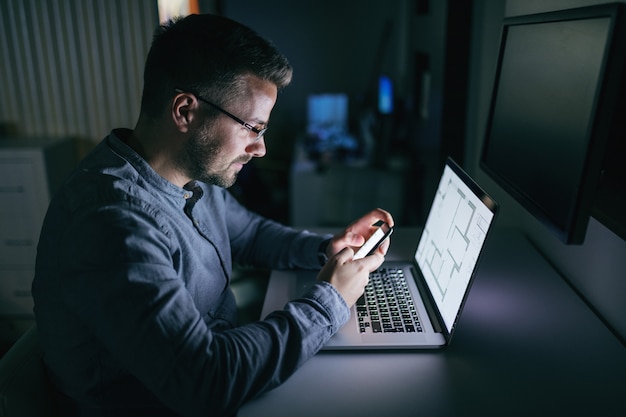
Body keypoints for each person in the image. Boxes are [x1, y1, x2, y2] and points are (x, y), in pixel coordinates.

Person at [32, 13, 394, 417]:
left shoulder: (189, 172)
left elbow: (250, 234)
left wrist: (326, 249)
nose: (261, 149)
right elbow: (206, 381)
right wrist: (330, 300)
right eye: (252, 127)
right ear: (185, 111)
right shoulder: (111, 222)